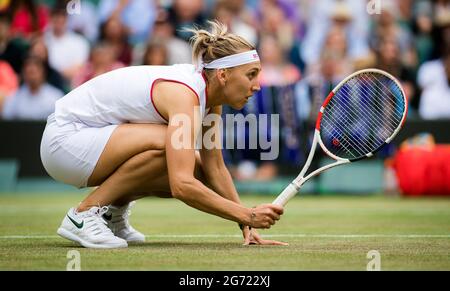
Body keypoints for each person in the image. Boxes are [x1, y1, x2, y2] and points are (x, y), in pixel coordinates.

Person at [40, 21, 287, 249]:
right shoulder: (185, 95)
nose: (257, 85)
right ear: (222, 76)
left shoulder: (211, 99)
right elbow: (181, 185)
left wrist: (247, 224)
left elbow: (215, 167)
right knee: (173, 150)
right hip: (65, 142)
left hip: (85, 143)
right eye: (251, 74)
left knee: (195, 165)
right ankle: (84, 213)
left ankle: (111, 213)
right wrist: (247, 214)